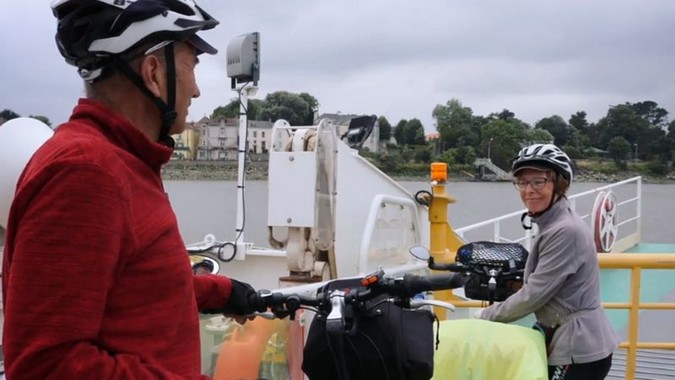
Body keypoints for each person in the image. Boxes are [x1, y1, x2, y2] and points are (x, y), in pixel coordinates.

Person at [1, 1, 265, 379]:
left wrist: (220, 292)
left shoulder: (121, 161)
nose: (196, 90)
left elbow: (136, 290)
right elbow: (45, 366)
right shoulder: (86, 173)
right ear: (154, 72)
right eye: (192, 65)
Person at [474, 143, 620, 380]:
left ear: (559, 184)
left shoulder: (564, 230)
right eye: (522, 182)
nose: (528, 190)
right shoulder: (553, 222)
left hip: (578, 349)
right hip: (571, 340)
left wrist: (485, 317)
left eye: (539, 181)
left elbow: (535, 294)